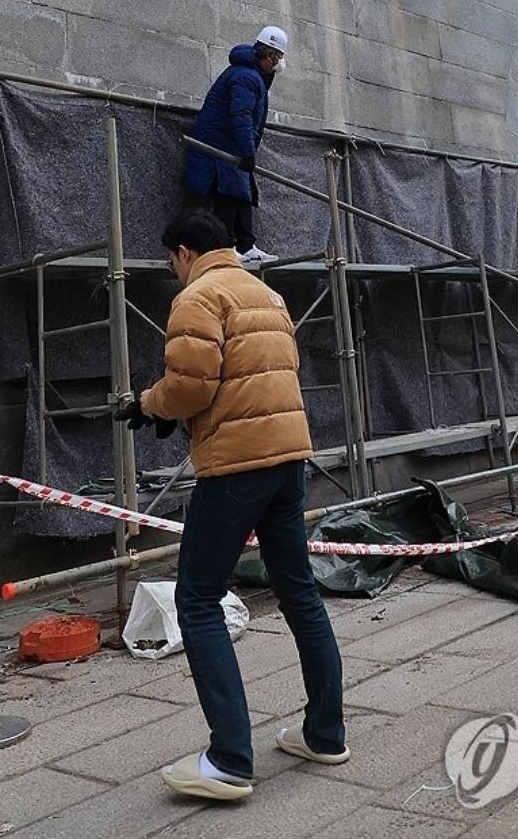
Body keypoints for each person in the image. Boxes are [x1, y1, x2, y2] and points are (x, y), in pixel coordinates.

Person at [115, 207, 347, 803]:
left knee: (197, 599)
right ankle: (325, 733)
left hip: (235, 468)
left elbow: (192, 385)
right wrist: (179, 411)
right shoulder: (267, 297)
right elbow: (256, 377)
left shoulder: (198, 297)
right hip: (287, 460)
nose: (174, 272)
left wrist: (148, 405)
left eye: (172, 261)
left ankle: (229, 760)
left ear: (185, 252)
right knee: (298, 591)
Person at [184, 25, 288, 263]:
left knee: (241, 194)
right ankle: (227, 249)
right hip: (221, 149)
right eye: (279, 57)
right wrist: (247, 152)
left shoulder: (249, 75)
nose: (279, 63)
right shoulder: (246, 77)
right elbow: (240, 117)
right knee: (229, 197)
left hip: (227, 147)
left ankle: (245, 244)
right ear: (270, 55)